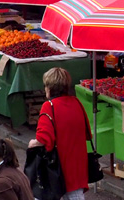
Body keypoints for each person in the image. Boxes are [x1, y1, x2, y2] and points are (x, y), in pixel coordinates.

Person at [28, 67, 93, 200]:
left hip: (58, 167)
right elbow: (88, 134)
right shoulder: (77, 103)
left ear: (49, 87)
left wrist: (32, 143)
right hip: (77, 166)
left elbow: (43, 139)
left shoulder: (49, 106)